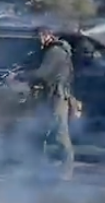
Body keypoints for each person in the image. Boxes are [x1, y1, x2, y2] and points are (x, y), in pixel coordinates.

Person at [21, 27, 76, 179]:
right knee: (41, 132)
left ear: (47, 36)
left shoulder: (55, 52)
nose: (38, 40)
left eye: (39, 36)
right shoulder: (51, 51)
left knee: (60, 133)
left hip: (57, 97)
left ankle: (67, 170)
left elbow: (42, 73)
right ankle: (40, 167)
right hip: (51, 96)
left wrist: (21, 76)